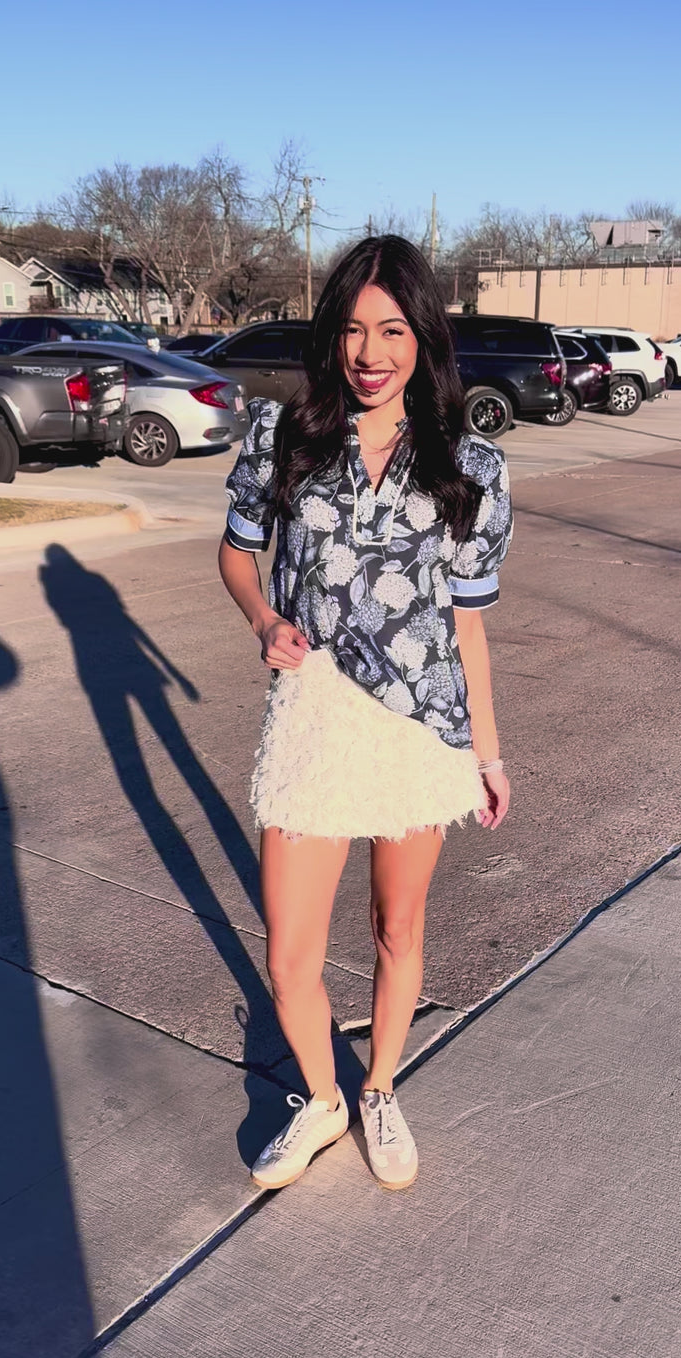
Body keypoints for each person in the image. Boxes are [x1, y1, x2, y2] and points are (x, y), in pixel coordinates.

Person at [218, 235, 512, 1192]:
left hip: (420, 731)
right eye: (352, 329)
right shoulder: (285, 436)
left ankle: (380, 1086)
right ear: (331, 339)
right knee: (290, 954)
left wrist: (488, 755)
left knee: (398, 929)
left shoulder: (468, 465)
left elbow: (469, 630)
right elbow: (234, 554)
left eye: (391, 329)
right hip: (312, 720)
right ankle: (324, 1098)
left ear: (423, 339)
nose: (370, 351)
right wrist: (264, 617)